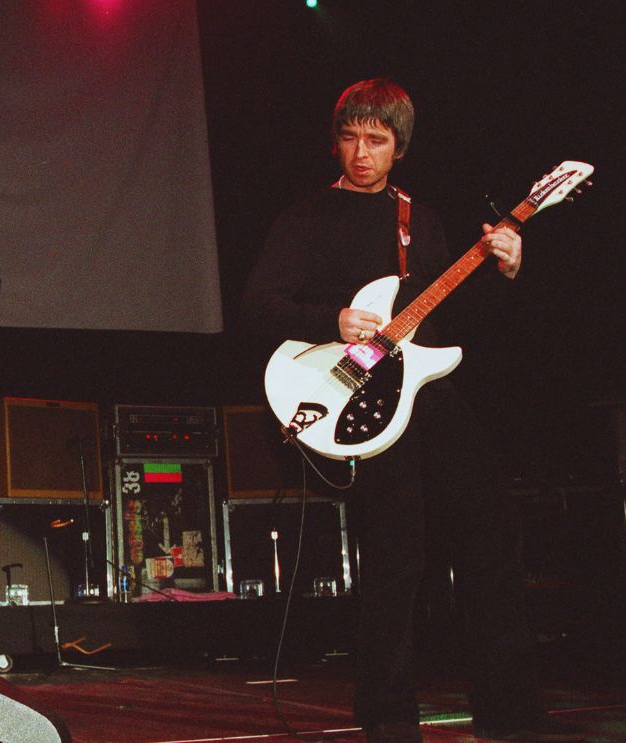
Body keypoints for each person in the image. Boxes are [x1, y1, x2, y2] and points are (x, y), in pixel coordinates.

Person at [242, 80, 580, 743]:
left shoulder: (417, 220)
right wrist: (333, 320)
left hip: (425, 388)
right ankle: (389, 716)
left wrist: (506, 269)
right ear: (335, 141)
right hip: (359, 398)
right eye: (350, 137)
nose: (361, 152)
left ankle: (510, 714)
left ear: (399, 147)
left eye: (377, 140)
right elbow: (257, 306)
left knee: (493, 533)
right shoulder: (304, 218)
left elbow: (450, 318)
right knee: (397, 554)